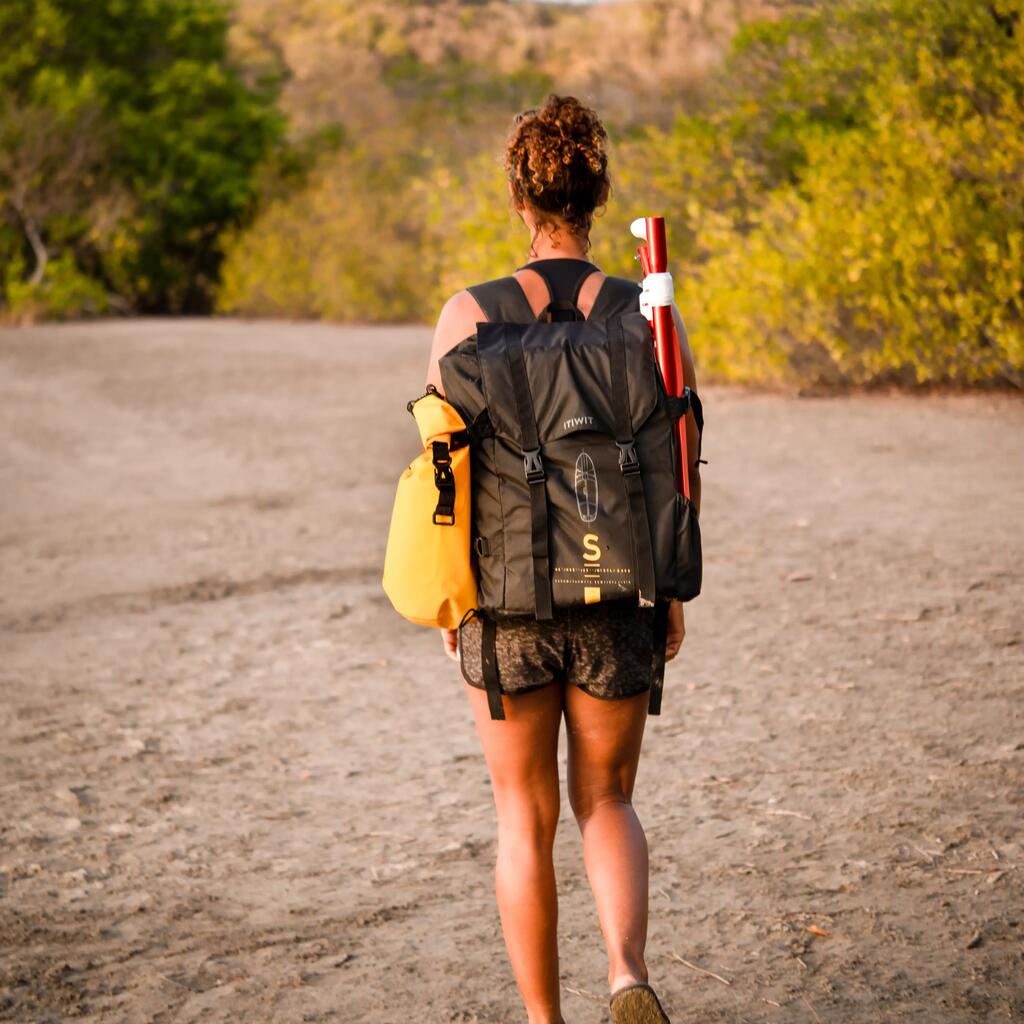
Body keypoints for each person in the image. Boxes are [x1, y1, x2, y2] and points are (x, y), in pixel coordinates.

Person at [424, 95, 701, 1024]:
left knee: (522, 818)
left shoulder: (467, 315)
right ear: (597, 195)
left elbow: (443, 471)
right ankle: (626, 975)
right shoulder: (647, 310)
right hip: (620, 587)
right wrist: (669, 591)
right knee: (608, 798)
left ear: (518, 199)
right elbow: (675, 454)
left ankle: (544, 1022)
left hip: (504, 606)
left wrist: (452, 603)